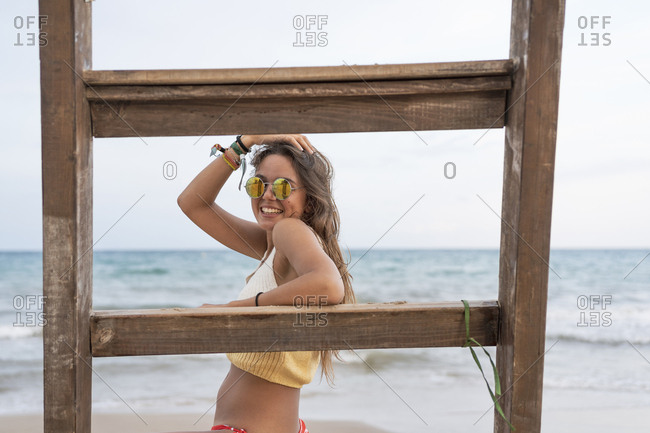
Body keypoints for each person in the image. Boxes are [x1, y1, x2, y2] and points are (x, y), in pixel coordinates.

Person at [177, 134, 355, 433]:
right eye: (258, 184)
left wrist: (237, 308)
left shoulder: (289, 230)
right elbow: (193, 203)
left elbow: (328, 285)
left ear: (309, 202)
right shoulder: (273, 244)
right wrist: (244, 144)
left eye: (283, 186)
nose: (268, 195)